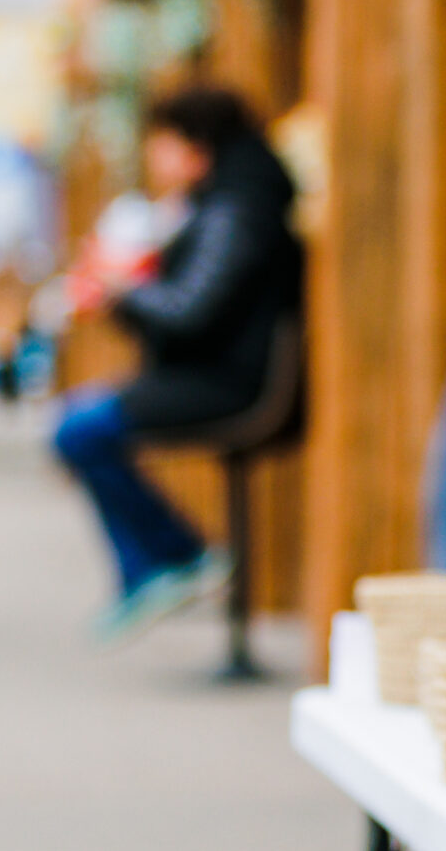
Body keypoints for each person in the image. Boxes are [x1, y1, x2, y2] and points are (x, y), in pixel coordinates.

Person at [54, 86, 302, 639]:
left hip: (227, 384)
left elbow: (190, 311)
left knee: (80, 427)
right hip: (214, 373)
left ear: (196, 147)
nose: (154, 159)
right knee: (80, 422)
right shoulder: (224, 204)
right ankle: (163, 562)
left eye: (161, 145)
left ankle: (170, 559)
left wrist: (121, 291)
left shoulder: (233, 211)